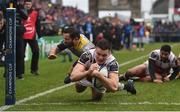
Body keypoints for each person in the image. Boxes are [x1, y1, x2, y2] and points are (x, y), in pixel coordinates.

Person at [68, 39, 136, 101]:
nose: (100, 57)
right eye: (98, 54)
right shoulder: (87, 55)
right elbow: (73, 77)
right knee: (79, 89)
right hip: (87, 76)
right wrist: (88, 72)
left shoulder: (112, 63)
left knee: (96, 99)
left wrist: (99, 75)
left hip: (100, 80)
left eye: (104, 55)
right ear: (95, 50)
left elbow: (114, 87)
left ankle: (126, 86)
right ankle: (126, 86)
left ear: (109, 53)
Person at [22, 0, 41, 75]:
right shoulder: (21, 12)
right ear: (24, 4)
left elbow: (38, 24)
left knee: (36, 52)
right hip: (22, 36)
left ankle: (34, 69)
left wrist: (39, 35)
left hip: (32, 35)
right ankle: (20, 72)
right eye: (26, 4)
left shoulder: (35, 13)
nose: (27, 5)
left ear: (31, 5)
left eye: (29, 4)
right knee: (21, 55)